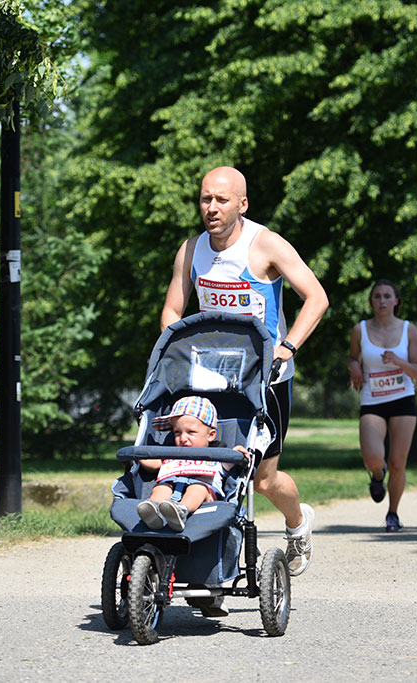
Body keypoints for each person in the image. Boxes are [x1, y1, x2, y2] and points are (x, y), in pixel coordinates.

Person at [161, 166, 329, 576]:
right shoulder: (192, 250)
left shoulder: (265, 244)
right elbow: (171, 311)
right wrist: (174, 352)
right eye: (205, 199)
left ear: (242, 204)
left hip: (264, 379)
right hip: (209, 379)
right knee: (205, 464)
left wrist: (288, 347)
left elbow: (317, 297)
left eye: (221, 200)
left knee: (261, 479)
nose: (211, 207)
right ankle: (212, 567)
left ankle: (298, 523)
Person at [347, 280, 417, 532]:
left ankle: (393, 514)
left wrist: (399, 362)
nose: (382, 301)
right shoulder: (360, 330)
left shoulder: (409, 330)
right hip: (373, 400)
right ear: (371, 301)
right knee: (372, 458)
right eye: (377, 296)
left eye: (387, 296)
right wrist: (355, 367)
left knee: (398, 463)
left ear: (396, 301)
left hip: (402, 399)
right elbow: (352, 358)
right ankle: (378, 476)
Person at [136, 396, 248, 532]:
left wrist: (237, 452)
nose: (183, 438)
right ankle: (152, 511)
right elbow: (154, 464)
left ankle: (181, 511)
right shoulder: (173, 452)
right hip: (172, 489)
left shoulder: (218, 453)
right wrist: (138, 454)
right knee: (162, 487)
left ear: (211, 435)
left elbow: (230, 461)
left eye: (191, 432)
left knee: (197, 488)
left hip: (205, 494)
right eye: (177, 432)